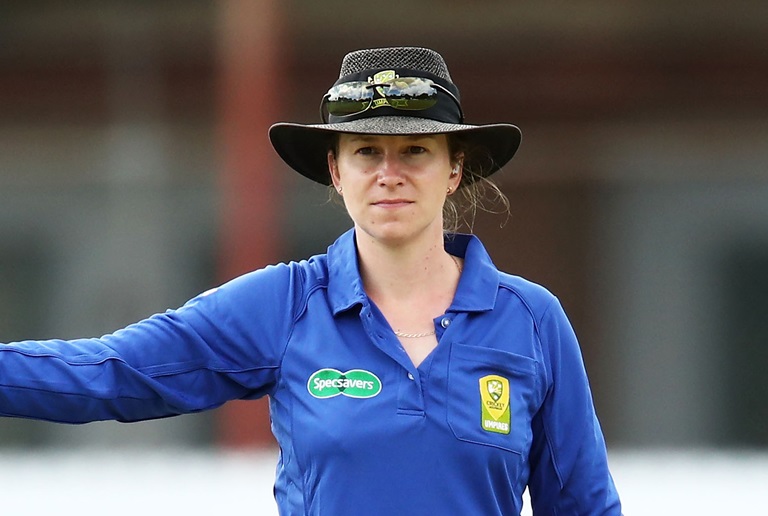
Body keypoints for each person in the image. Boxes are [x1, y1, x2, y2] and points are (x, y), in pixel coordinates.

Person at [0, 46, 622, 514]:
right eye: (366, 152)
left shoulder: (530, 320)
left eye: (415, 150)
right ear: (336, 171)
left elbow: (584, 504)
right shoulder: (284, 305)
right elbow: (111, 373)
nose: (389, 173)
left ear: (454, 170)